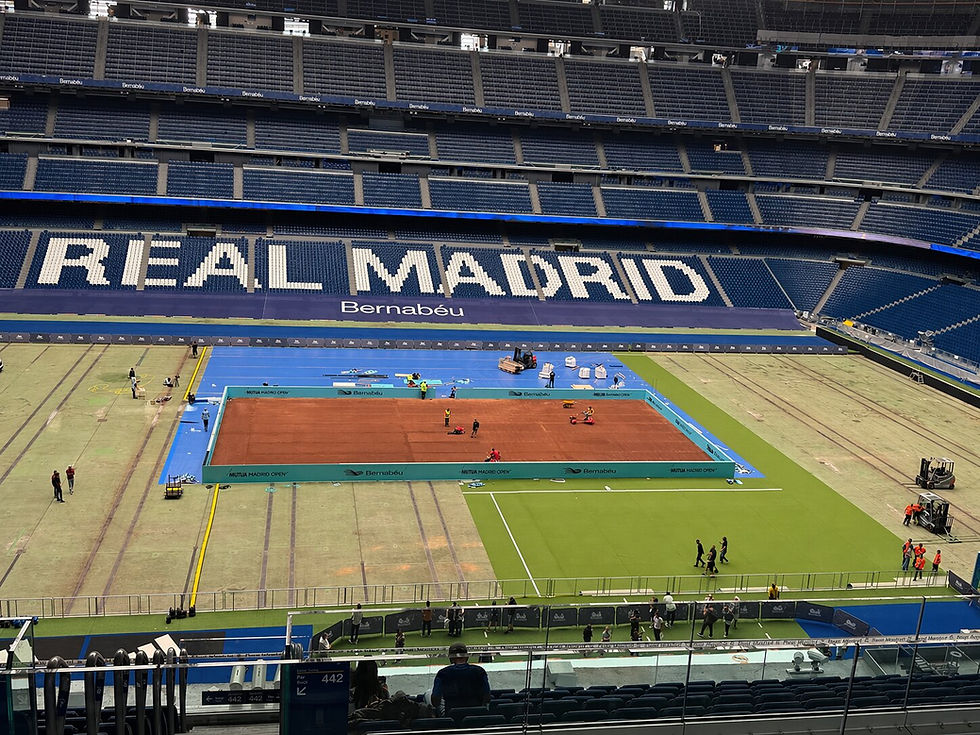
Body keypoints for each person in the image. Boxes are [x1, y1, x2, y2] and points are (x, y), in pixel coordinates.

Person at [431, 643, 490, 717]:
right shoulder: (480, 671)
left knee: (428, 693)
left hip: (451, 715)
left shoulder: (442, 673)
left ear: (451, 658)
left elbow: (435, 700)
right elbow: (487, 696)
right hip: (476, 714)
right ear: (467, 657)